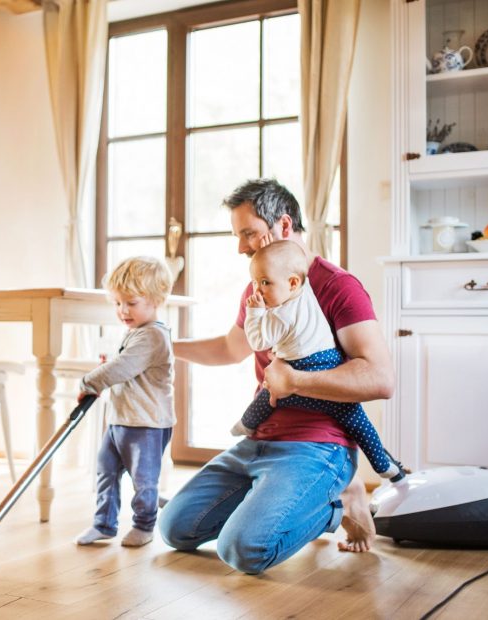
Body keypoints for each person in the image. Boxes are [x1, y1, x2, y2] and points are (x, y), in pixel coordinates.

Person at [159, 178, 395, 573]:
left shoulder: (338, 287)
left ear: (284, 226)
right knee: (175, 530)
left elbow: (379, 378)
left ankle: (338, 503)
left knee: (243, 550)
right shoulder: (260, 288)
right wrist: (162, 345)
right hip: (259, 441)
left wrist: (297, 381)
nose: (240, 247)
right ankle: (278, 498)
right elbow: (229, 349)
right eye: (237, 236)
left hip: (318, 445)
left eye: (248, 233)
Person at [232, 239, 402, 481]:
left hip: (302, 370)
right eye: (256, 282)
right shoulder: (306, 289)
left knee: (269, 398)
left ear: (292, 282)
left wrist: (255, 313)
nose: (257, 291)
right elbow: (298, 265)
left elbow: (258, 342)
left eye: (265, 282)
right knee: (357, 420)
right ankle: (384, 465)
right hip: (328, 360)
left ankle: (246, 424)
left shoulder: (281, 315)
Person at [74, 256, 175, 548]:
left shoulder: (153, 336)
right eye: (118, 303)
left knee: (143, 479)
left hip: (146, 423)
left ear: (156, 300)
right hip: (120, 418)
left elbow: (122, 368)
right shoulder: (135, 332)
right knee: (106, 468)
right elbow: (122, 366)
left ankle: (144, 525)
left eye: (130, 303)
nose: (122, 310)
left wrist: (89, 381)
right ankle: (104, 523)